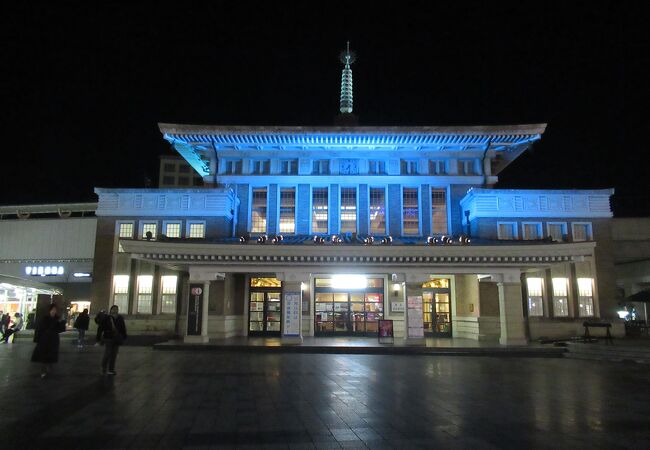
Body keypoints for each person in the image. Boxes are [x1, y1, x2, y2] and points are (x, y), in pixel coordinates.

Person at [31, 304, 66, 378]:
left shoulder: (58, 318)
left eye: (55, 310)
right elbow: (40, 329)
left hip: (53, 340)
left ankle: (49, 368)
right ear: (49, 310)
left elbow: (61, 329)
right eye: (52, 310)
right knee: (44, 356)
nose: (54, 311)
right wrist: (37, 339)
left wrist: (62, 322)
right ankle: (43, 371)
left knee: (51, 355)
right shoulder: (45, 318)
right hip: (45, 339)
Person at [97, 305, 127, 376]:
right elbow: (100, 328)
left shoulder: (120, 318)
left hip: (116, 338)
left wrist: (124, 335)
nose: (115, 310)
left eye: (116, 309)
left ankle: (111, 370)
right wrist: (98, 337)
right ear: (111, 310)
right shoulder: (107, 318)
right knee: (107, 353)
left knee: (114, 355)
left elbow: (123, 327)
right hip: (108, 337)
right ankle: (103, 368)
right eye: (114, 309)